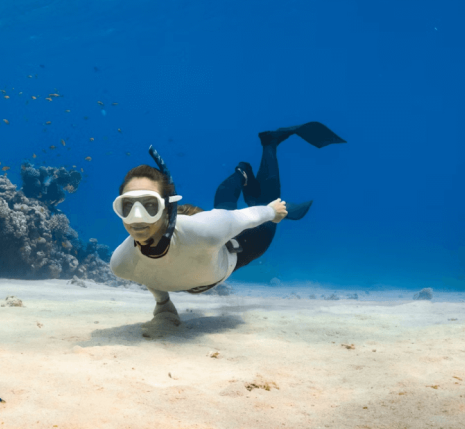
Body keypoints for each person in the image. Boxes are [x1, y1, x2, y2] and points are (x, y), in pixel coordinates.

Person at [110, 122, 345, 323]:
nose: (137, 218)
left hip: (236, 248)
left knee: (247, 211)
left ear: (167, 207)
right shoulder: (122, 263)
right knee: (221, 208)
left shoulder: (205, 232)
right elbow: (144, 270)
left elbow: (244, 217)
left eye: (150, 205)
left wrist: (272, 210)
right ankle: (242, 173)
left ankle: (268, 145)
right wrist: (163, 304)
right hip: (208, 235)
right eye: (128, 206)